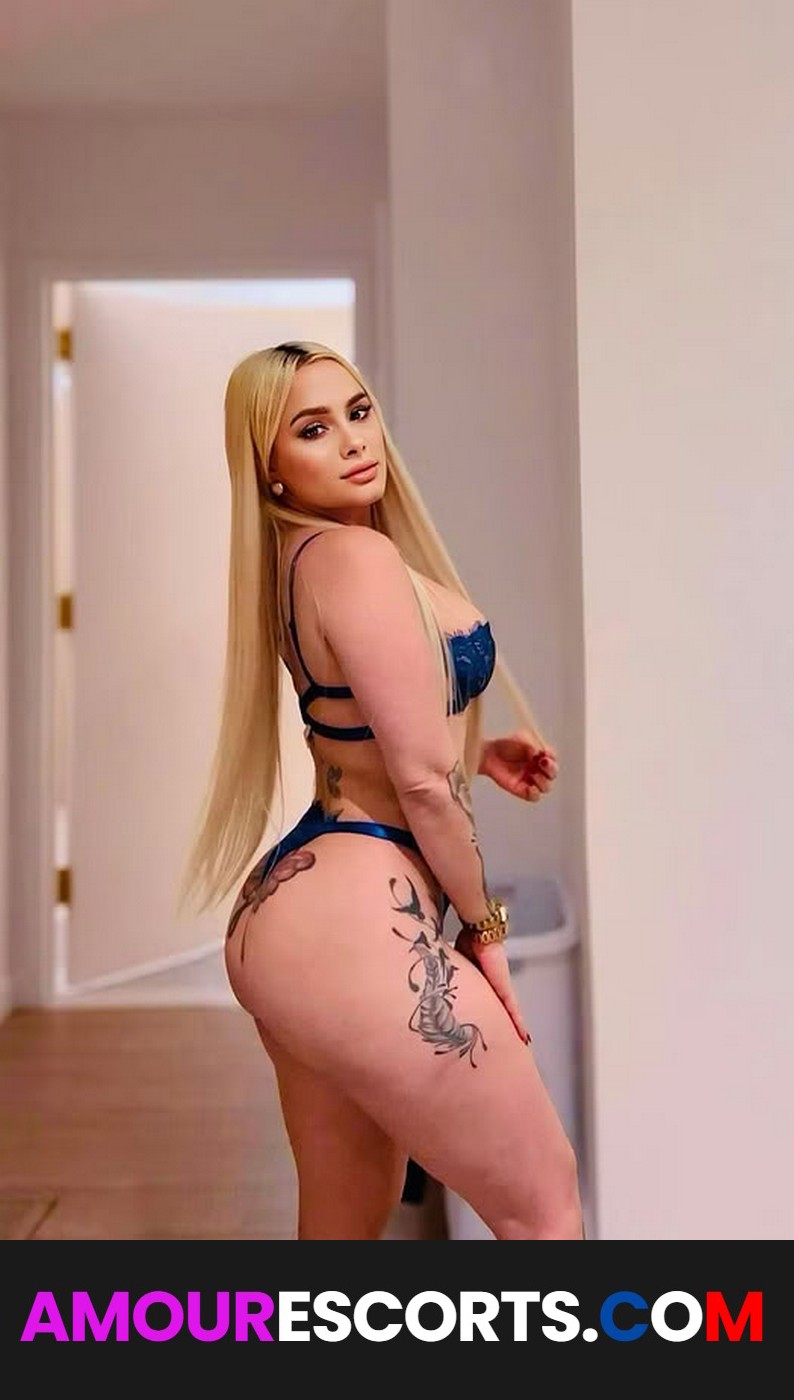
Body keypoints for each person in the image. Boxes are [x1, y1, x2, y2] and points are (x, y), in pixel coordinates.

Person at [178, 340, 584, 1241]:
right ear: (270, 466)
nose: (354, 440)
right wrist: (485, 929)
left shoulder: (302, 558)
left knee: (342, 1224)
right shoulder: (354, 558)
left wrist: (476, 752)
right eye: (312, 429)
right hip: (359, 927)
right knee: (545, 1211)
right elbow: (421, 783)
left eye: (357, 412)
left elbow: (369, 731)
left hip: (291, 914)